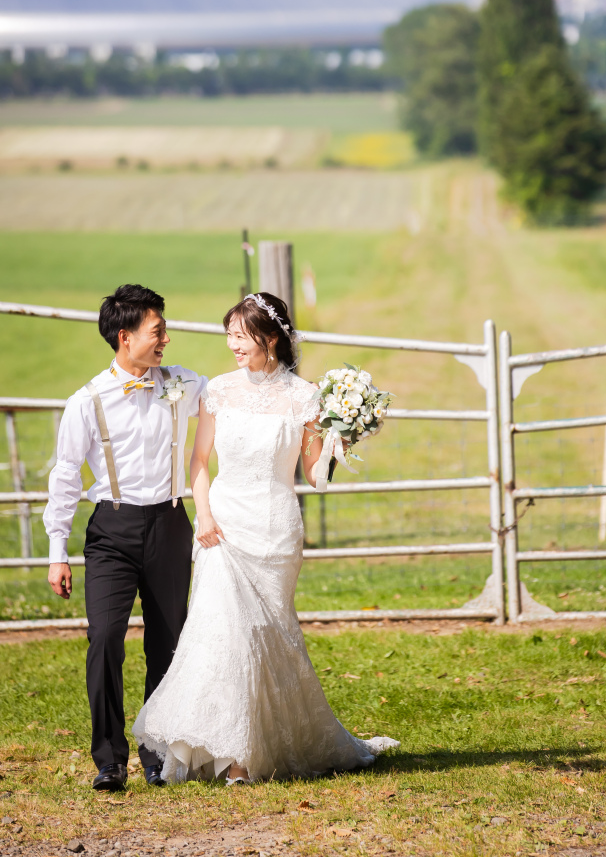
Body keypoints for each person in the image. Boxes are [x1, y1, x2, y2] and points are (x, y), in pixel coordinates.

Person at [133, 292, 398, 783]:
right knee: (222, 633)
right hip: (223, 526)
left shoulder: (305, 397)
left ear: (270, 337)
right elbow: (199, 462)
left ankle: (263, 745)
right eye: (229, 335)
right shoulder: (218, 390)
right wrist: (203, 516)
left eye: (241, 335)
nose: (232, 344)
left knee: (267, 635)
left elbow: (315, 476)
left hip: (276, 527)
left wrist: (339, 438)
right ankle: (232, 757)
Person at [44, 284, 207, 792]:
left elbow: (233, 394)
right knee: (105, 638)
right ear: (125, 337)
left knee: (167, 643)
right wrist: (56, 552)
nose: (166, 339)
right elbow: (65, 477)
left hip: (170, 524)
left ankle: (157, 751)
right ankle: (109, 759)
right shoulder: (87, 401)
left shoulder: (182, 382)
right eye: (157, 331)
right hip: (112, 531)